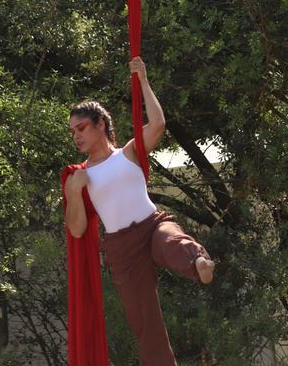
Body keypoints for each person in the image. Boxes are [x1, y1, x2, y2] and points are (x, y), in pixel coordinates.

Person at [62, 57, 215, 366]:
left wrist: (143, 81)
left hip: (152, 224)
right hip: (122, 249)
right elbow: (77, 229)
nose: (77, 136)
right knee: (147, 327)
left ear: (100, 124)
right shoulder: (78, 176)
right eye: (72, 132)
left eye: (82, 128)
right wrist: (75, 192)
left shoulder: (129, 152)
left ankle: (198, 261)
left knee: (173, 241)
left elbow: (158, 124)